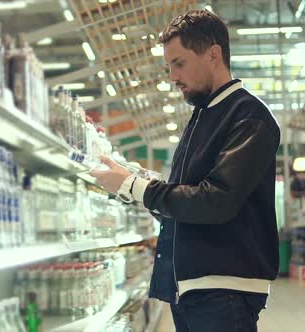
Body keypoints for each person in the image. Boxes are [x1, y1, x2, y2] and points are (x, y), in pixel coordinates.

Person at [90, 9, 281, 332]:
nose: (172, 76)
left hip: (224, 291)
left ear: (213, 55)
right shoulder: (202, 116)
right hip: (193, 289)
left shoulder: (248, 116)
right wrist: (132, 182)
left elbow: (216, 201)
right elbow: (183, 205)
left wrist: (136, 186)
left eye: (179, 63)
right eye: (169, 67)